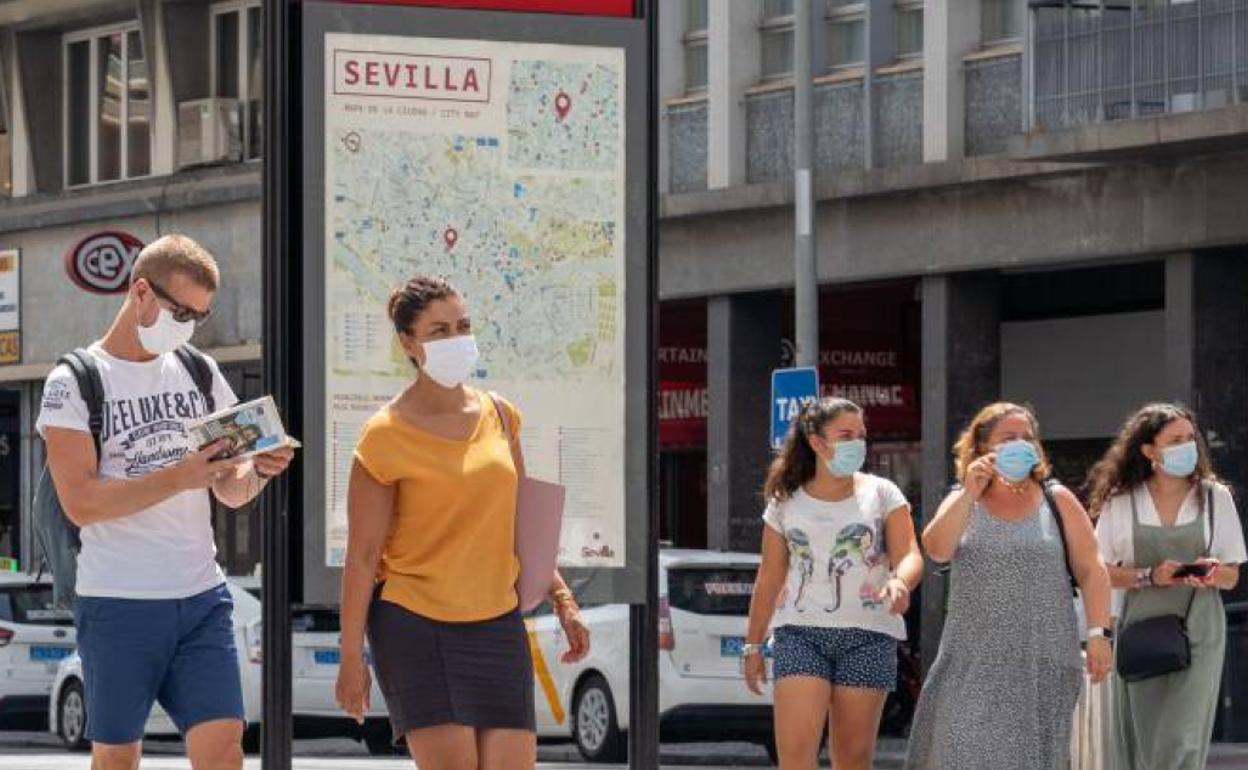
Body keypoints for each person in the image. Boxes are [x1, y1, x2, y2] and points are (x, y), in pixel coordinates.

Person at [37, 234, 293, 770]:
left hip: (201, 596)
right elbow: (81, 502)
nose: (189, 326)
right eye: (181, 311)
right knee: (117, 758)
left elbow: (228, 487)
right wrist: (180, 476)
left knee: (224, 750)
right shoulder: (75, 381)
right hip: (117, 601)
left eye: (199, 315)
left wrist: (259, 471)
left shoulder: (197, 370)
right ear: (140, 292)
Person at [335, 275, 591, 770]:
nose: (456, 339)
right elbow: (362, 556)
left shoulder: (499, 413)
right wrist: (351, 659)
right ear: (408, 343)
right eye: (439, 331)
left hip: (496, 622)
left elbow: (521, 520)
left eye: (463, 325)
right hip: (414, 622)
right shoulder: (383, 436)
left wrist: (564, 599)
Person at [904, 402, 1112, 770]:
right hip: (974, 658)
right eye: (1008, 438)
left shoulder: (1056, 499)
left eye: (1027, 438)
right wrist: (970, 492)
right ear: (983, 448)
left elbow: (1092, 569)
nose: (1020, 444)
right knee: (965, 752)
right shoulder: (963, 499)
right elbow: (936, 549)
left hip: (1043, 657)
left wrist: (1099, 633)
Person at [743, 397, 924, 770]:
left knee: (853, 759)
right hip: (800, 633)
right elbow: (770, 575)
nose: (857, 443)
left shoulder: (882, 492)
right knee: (795, 757)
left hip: (868, 634)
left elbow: (910, 553)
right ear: (817, 442)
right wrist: (753, 645)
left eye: (861, 435)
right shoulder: (785, 501)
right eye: (846, 435)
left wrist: (900, 582)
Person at [1086, 403, 1246, 770]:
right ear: (1149, 450)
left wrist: (1211, 572)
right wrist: (1148, 576)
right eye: (1175, 439)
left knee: (1182, 738)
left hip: (1200, 626)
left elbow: (1232, 575)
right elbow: (1099, 570)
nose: (1187, 446)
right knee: (1144, 736)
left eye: (1191, 438)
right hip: (1141, 627)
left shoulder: (1214, 498)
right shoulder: (1122, 501)